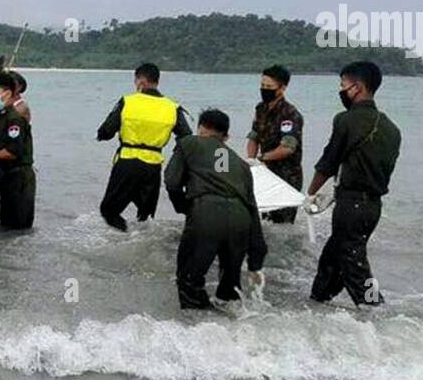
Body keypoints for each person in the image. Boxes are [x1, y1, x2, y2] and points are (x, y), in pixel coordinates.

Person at [307, 60, 401, 307]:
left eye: (343, 85)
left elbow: (328, 162)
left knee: (355, 266)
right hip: (372, 207)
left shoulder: (346, 120)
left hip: (351, 206)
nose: (341, 91)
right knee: (331, 261)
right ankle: (316, 305)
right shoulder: (392, 129)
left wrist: (310, 194)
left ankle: (380, 314)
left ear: (357, 88)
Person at [164, 109, 267, 310]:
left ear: (200, 128)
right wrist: (256, 257)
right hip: (240, 219)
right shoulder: (240, 164)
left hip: (206, 214)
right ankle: (234, 332)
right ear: (226, 137)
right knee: (230, 289)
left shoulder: (189, 143)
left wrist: (184, 207)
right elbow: (253, 209)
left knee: (189, 282)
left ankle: (200, 330)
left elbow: (172, 182)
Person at [97, 62, 191, 231]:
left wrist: (103, 133)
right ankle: (144, 248)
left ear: (141, 81)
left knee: (108, 211)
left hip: (127, 163)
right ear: (157, 81)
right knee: (145, 216)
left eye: (135, 81)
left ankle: (124, 238)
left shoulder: (128, 102)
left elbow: (105, 132)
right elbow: (186, 137)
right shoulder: (172, 107)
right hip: (153, 167)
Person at [246, 64, 304, 223]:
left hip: (286, 178)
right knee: (265, 221)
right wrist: (251, 160)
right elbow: (253, 136)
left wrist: (262, 157)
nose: (264, 89)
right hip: (265, 174)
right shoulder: (260, 109)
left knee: (282, 225)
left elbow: (287, 148)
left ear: (282, 88)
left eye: (269, 87)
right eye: (262, 86)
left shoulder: (290, 114)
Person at [0, 71, 35, 229]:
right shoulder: (0, 115)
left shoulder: (14, 118)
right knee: (6, 222)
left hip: (19, 178)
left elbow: (11, 151)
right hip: (6, 175)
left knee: (18, 225)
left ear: (7, 93)